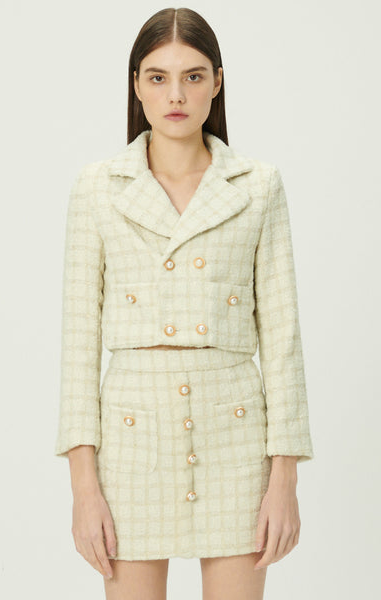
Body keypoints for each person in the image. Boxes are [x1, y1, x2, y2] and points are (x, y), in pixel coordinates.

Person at [54, 7, 314, 600]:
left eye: (193, 76)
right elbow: (78, 345)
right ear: (136, 85)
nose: (176, 94)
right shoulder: (98, 188)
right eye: (158, 77)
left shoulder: (257, 186)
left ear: (217, 83)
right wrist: (83, 488)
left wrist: (284, 481)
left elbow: (283, 339)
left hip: (235, 441)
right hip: (131, 443)